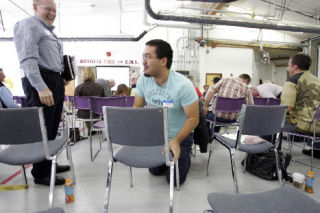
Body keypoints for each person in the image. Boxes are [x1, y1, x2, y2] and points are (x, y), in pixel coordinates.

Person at [13, 0, 70, 186]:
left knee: (52, 126)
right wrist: (41, 86)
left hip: (53, 79)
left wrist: (59, 77)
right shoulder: (28, 24)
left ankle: (48, 163)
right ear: (35, 7)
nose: (52, 13)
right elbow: (28, 59)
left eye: (54, 10)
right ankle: (40, 173)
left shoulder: (46, 30)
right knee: (42, 127)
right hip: (42, 80)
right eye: (48, 9)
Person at [133, 39, 199, 185]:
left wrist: (175, 141)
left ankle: (185, 156)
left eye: (148, 57)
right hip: (156, 136)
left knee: (174, 181)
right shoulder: (143, 80)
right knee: (154, 171)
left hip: (179, 137)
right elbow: (136, 109)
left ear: (163, 61)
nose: (143, 61)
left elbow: (193, 118)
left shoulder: (183, 85)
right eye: (143, 56)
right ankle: (169, 158)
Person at [281, 53, 320, 157]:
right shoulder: (317, 80)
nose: (287, 68)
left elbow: (286, 108)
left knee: (271, 122)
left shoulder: (293, 81)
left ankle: (268, 155)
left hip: (304, 127)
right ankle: (317, 149)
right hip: (318, 127)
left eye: (289, 65)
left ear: (295, 67)